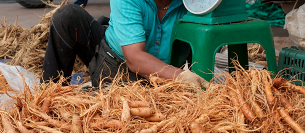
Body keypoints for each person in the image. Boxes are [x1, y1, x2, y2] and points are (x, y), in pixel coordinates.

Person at [41, 0, 209, 88]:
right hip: (113, 66)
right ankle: (49, 97)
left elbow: (205, 43)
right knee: (67, 16)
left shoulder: (196, 4)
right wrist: (180, 76)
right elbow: (134, 58)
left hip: (162, 80)